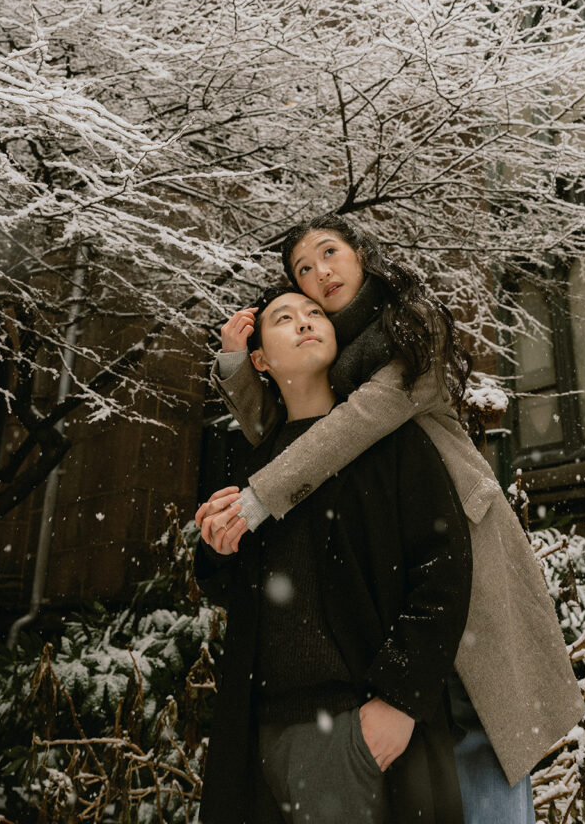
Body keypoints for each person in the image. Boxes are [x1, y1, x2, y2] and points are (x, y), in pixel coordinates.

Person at [199, 213, 585, 823]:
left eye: (329, 253)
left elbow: (351, 427)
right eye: (302, 268)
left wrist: (255, 499)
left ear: (360, 254)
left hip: (463, 548)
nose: (319, 273)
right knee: (439, 766)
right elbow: (291, 439)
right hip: (393, 565)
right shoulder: (334, 352)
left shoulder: (410, 327)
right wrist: (238, 365)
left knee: (482, 729)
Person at [194, 286, 473, 824]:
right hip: (258, 736)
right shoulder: (255, 462)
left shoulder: (389, 441)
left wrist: (397, 700)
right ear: (260, 360)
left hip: (357, 728)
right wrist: (217, 550)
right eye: (284, 318)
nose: (304, 322)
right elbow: (241, 595)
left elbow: (444, 574)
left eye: (315, 313)